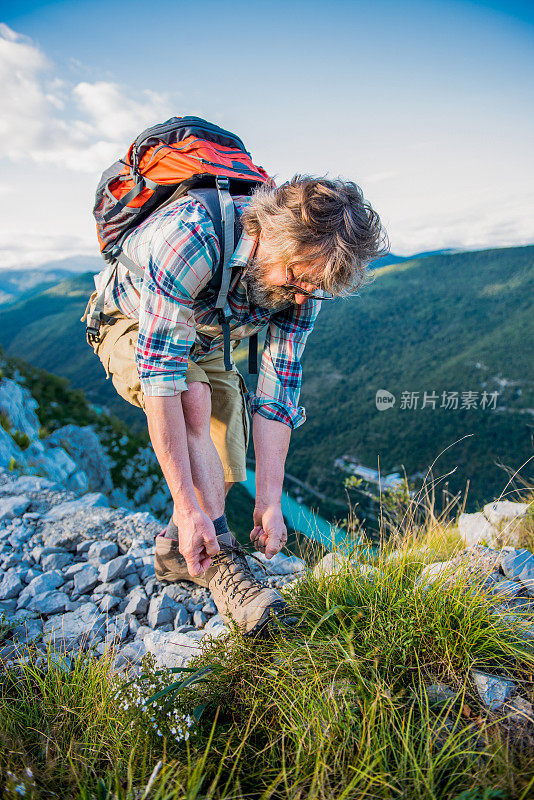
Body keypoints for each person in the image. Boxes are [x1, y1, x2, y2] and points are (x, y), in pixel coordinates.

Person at [86, 175, 388, 635]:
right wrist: (186, 505)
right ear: (268, 234)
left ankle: (176, 552)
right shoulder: (190, 238)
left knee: (226, 435)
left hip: (206, 335)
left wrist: (269, 499)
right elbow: (162, 381)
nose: (304, 296)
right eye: (296, 279)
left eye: (317, 287)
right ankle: (222, 562)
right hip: (129, 321)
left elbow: (278, 390)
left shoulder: (307, 276)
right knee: (194, 398)